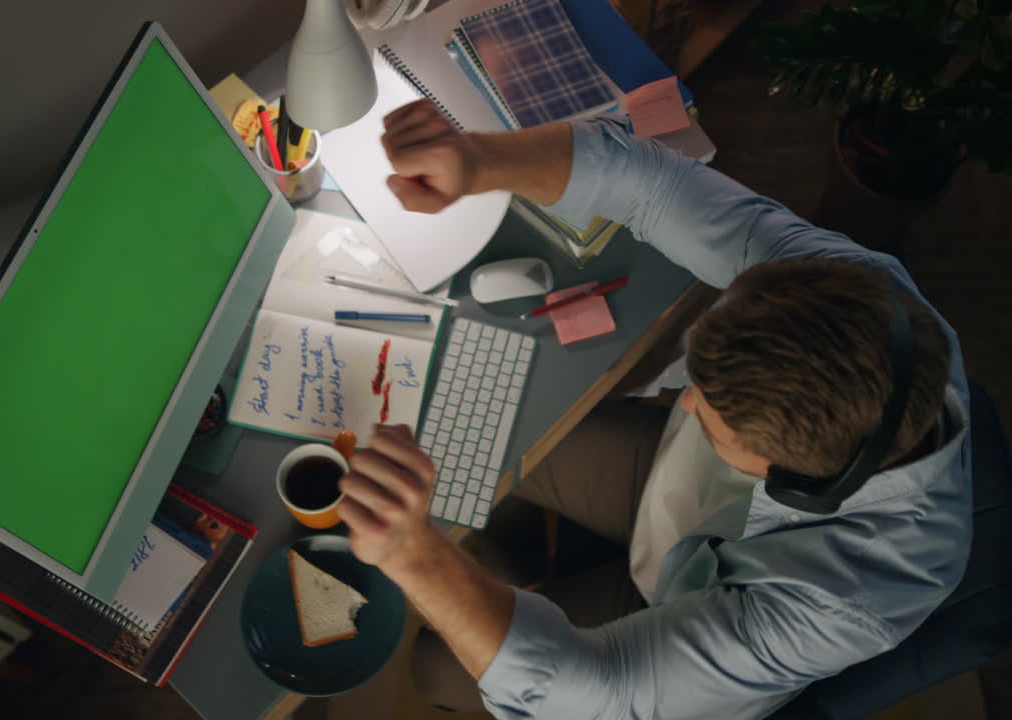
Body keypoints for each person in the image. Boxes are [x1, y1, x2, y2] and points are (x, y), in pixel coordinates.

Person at [336, 99, 972, 720]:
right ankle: (528, 568)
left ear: (791, 479)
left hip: (677, 597)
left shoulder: (839, 605)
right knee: (474, 427)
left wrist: (415, 556)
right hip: (675, 489)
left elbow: (603, 691)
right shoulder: (852, 286)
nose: (684, 401)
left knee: (434, 666)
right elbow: (654, 186)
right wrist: (478, 159)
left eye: (712, 414)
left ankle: (528, 573)